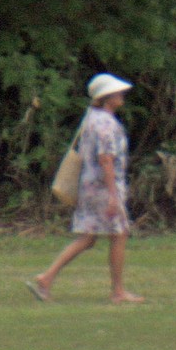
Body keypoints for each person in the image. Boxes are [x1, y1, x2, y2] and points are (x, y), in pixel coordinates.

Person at [26, 73, 145, 305]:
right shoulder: (106, 124)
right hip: (103, 188)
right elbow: (106, 160)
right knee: (119, 234)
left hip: (89, 187)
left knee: (88, 238)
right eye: (117, 92)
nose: (122, 95)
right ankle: (118, 291)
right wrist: (113, 196)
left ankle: (46, 278)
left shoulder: (91, 118)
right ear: (106, 97)